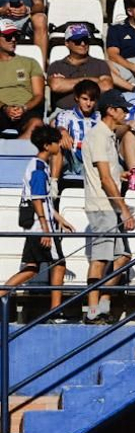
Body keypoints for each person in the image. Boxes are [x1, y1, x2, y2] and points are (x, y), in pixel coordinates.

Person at [80, 92, 133, 320]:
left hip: (108, 206)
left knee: (123, 257)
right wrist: (124, 209)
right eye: (122, 108)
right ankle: (92, 312)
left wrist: (120, 175)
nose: (126, 113)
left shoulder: (107, 136)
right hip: (102, 206)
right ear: (111, 110)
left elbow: (107, 173)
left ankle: (102, 304)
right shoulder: (99, 136)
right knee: (99, 260)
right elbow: (103, 179)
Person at [0, 129, 66, 309]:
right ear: (47, 145)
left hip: (36, 228)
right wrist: (46, 229)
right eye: (56, 142)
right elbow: (37, 200)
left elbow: (43, 200)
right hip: (41, 229)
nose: (59, 145)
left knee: (32, 267)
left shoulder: (39, 165)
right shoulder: (38, 168)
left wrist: (59, 218)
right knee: (59, 264)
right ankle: (54, 311)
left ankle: (1, 292)